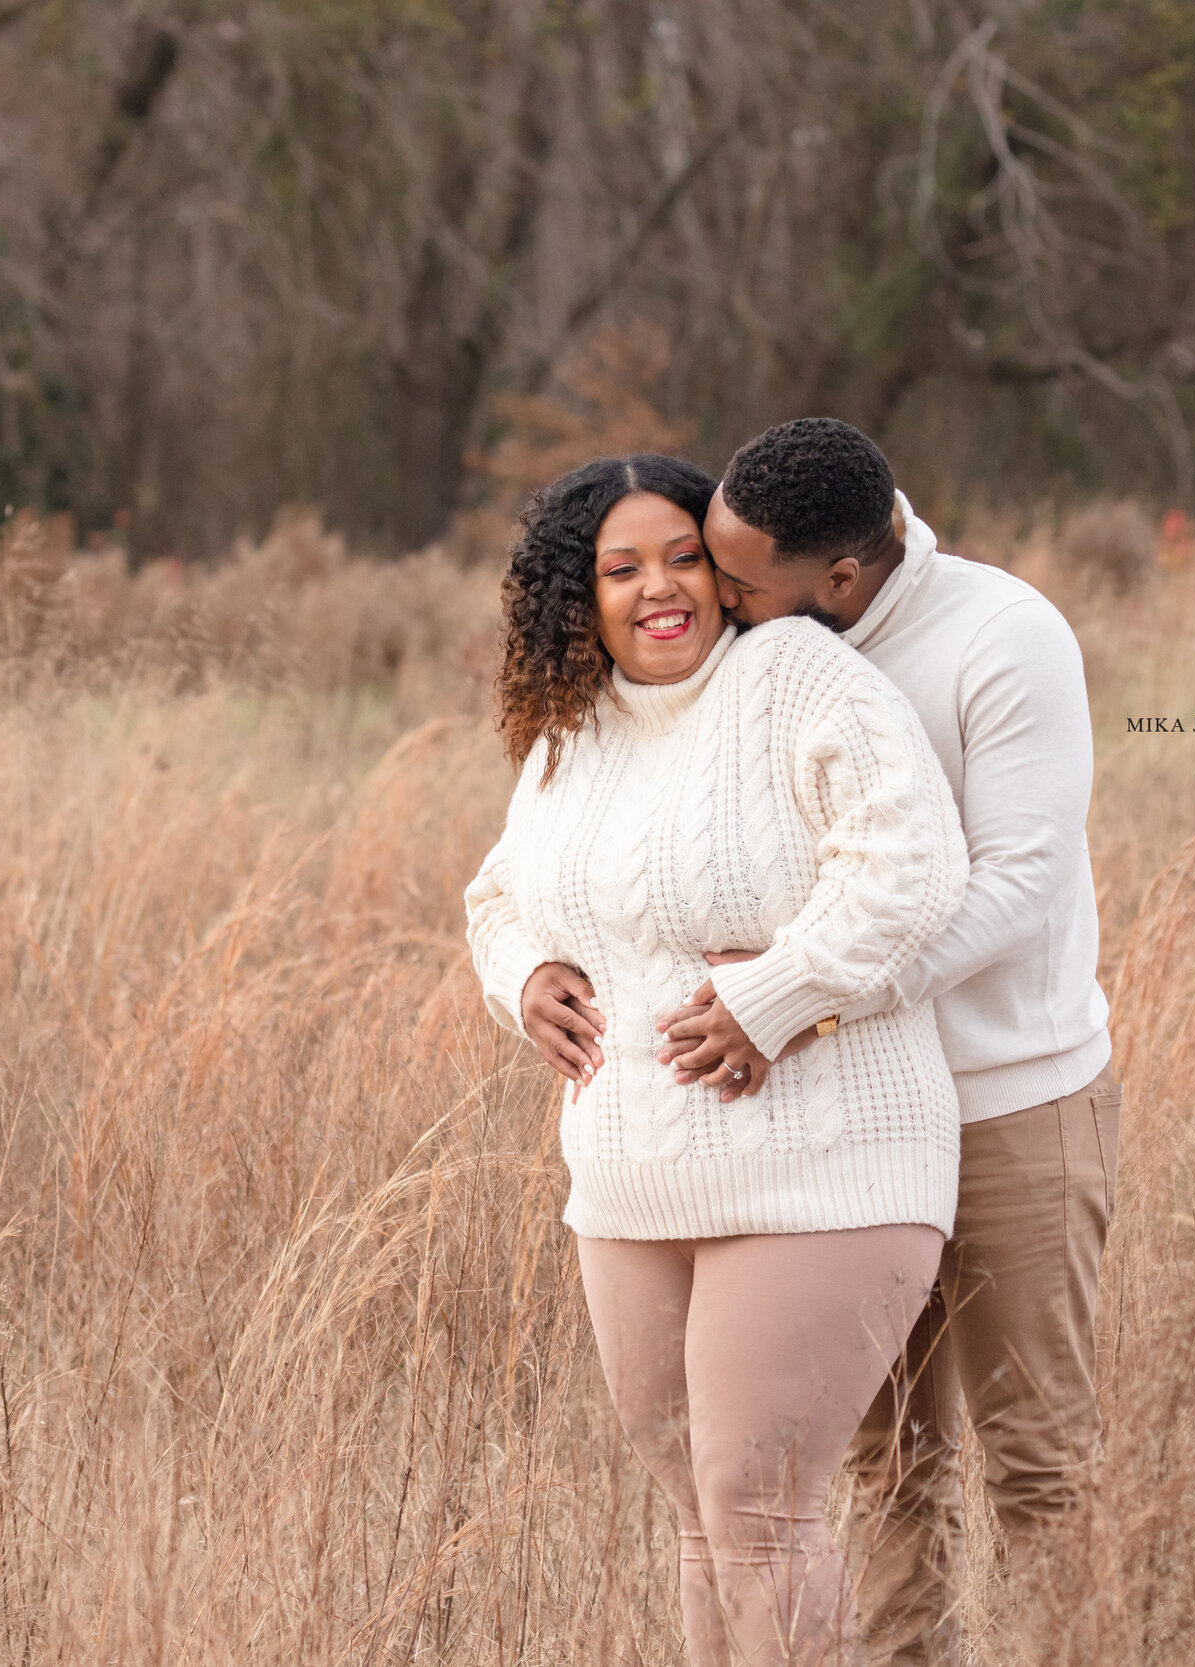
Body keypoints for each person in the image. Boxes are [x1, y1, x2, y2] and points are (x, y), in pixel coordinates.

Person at [463, 452, 971, 1665]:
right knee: (701, 1519)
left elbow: (912, 868)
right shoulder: (567, 730)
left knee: (759, 1510)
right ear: (572, 596)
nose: (658, 589)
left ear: (725, 569)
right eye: (619, 568)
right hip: (630, 1183)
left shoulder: (793, 678)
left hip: (820, 1166)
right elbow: (496, 894)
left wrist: (773, 993)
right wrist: (523, 977)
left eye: (683, 556)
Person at [676, 418, 1120, 1667]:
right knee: (883, 1460)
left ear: (843, 581)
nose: (715, 593)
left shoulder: (1002, 636)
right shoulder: (762, 653)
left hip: (1010, 1104)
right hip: (855, 1123)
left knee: (1038, 1462)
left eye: (740, 577)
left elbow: (1019, 879)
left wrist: (806, 995)